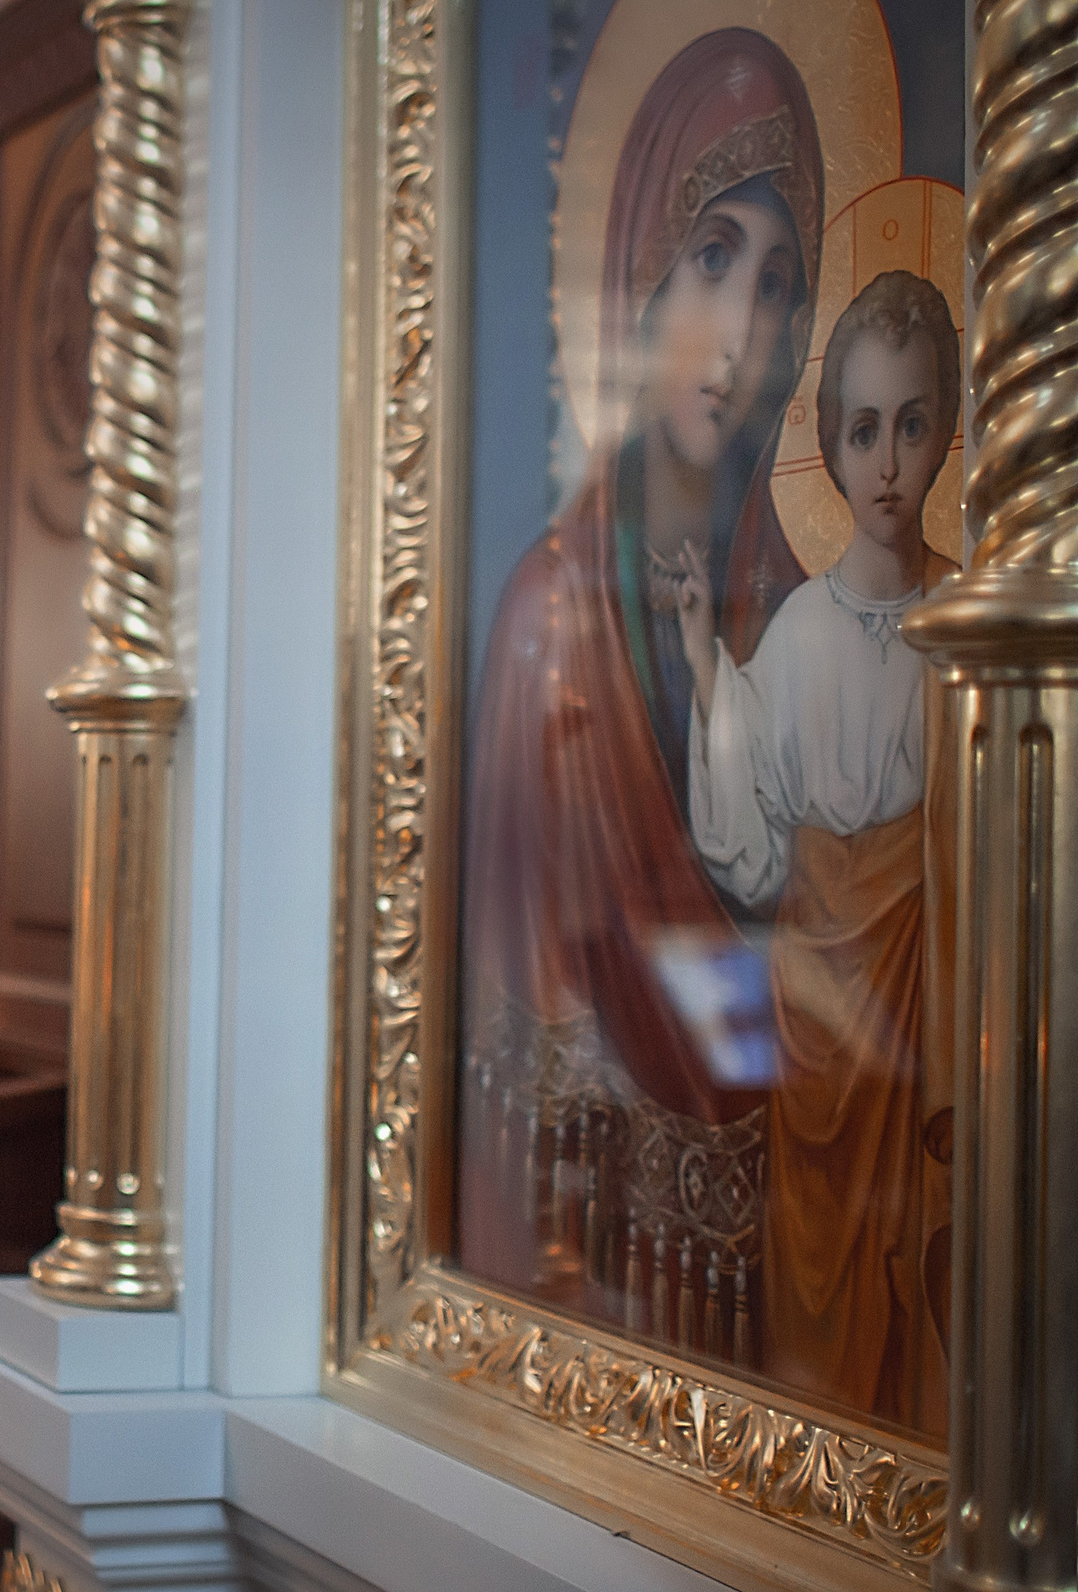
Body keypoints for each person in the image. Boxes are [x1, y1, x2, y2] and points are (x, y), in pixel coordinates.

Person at [458, 28, 823, 1293]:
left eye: (775, 282)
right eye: (711, 259)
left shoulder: (798, 606)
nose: (738, 330)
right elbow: (537, 1063)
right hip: (604, 1267)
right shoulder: (549, 627)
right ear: (638, 278)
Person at [675, 270, 957, 1430]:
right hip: (817, 1008)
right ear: (829, 450)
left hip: (928, 991)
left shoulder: (969, 621)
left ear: (947, 431)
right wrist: (702, 662)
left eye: (910, 423)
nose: (886, 460)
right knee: (818, 1272)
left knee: (919, 1246)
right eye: (861, 429)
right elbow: (749, 836)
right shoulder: (797, 632)